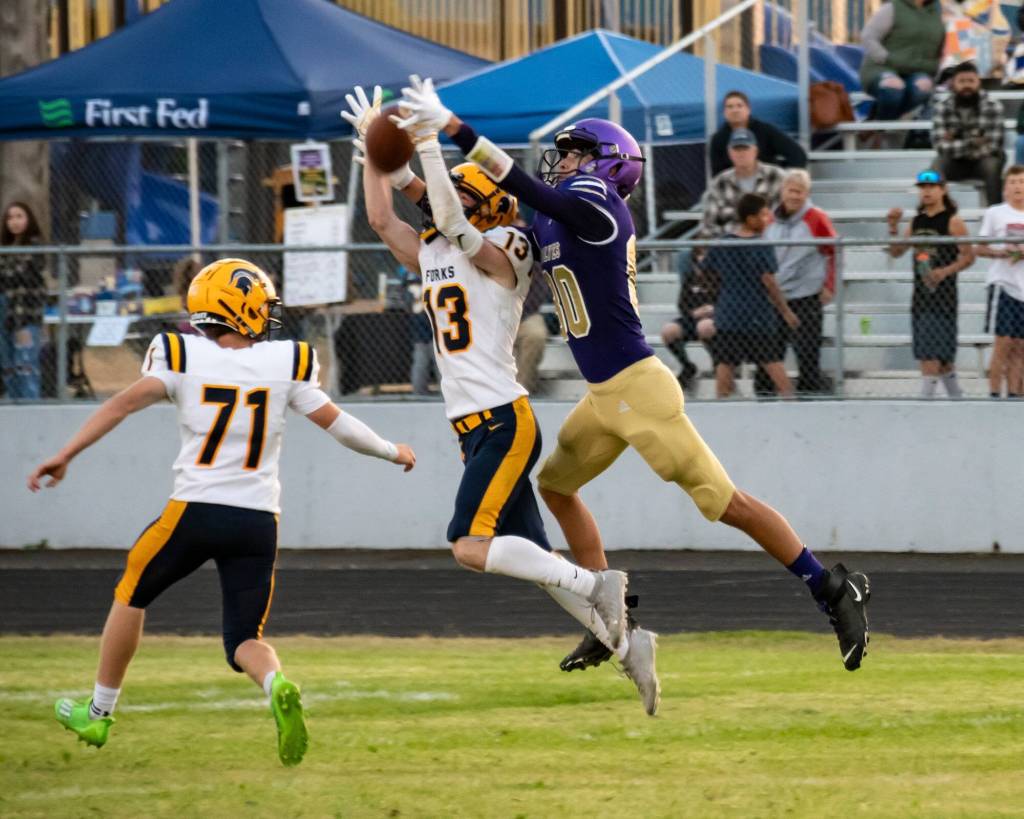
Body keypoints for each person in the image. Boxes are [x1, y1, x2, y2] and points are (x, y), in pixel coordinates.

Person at [395, 75, 872, 675]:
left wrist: (458, 130)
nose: (563, 161)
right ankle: (607, 614)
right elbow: (476, 209)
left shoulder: (602, 208)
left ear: (606, 164)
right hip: (603, 395)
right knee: (558, 485)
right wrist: (399, 160)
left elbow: (523, 186)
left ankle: (830, 586)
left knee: (724, 503)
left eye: (574, 152)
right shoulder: (554, 216)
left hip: (639, 389)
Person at [28, 258, 416, 765]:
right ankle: (275, 681)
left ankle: (98, 715)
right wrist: (392, 451)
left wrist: (66, 454)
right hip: (258, 521)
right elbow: (340, 426)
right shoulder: (286, 362)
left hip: (194, 512)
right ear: (244, 309)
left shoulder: (180, 353)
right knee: (244, 638)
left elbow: (120, 405)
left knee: (132, 592)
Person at [348, 85, 659, 714]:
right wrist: (370, 157)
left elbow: (456, 221)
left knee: (470, 546)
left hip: (502, 418)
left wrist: (430, 146)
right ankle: (631, 648)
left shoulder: (510, 250)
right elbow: (385, 220)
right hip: (472, 424)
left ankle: (600, 585)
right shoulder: (436, 248)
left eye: (463, 194)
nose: (445, 204)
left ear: (489, 206)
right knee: (533, 559)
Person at [887, 170, 974, 398]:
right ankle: (957, 401)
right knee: (934, 357)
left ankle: (924, 405)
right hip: (921, 296)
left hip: (943, 297)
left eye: (931, 187)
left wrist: (945, 271)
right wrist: (893, 227)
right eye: (922, 187)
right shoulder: (916, 221)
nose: (926, 191)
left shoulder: (953, 221)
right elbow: (897, 251)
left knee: (938, 357)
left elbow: (968, 256)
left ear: (942, 190)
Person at [702, 193, 797, 399]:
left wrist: (720, 298)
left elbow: (708, 273)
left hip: (729, 316)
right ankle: (791, 403)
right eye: (763, 215)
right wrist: (785, 311)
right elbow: (769, 281)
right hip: (758, 317)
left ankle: (720, 407)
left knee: (725, 364)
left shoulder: (723, 243)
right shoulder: (762, 245)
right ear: (750, 218)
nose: (767, 219)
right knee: (773, 364)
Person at [763, 170, 837, 395]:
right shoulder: (769, 219)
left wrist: (830, 285)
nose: (795, 196)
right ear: (782, 191)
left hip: (805, 297)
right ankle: (765, 401)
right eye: (791, 190)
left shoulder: (817, 218)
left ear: (807, 193)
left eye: (800, 192)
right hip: (774, 298)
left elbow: (835, 251)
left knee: (807, 356)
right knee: (768, 357)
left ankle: (808, 402)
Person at [976, 165, 1024, 398]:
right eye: (1013, 182)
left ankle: (1015, 395)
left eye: (1022, 182)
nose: (1018, 187)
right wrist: (1002, 252)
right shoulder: (995, 212)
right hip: (1003, 283)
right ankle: (994, 394)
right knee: (1002, 343)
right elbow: (979, 248)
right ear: (1005, 188)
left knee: (1020, 347)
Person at [932, 62, 1005, 206]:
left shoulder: (994, 106)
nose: (967, 85)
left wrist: (955, 141)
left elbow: (994, 145)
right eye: (962, 81)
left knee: (992, 165)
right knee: (935, 168)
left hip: (984, 162)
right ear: (953, 84)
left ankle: (996, 215)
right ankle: (940, 216)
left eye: (971, 81)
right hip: (955, 164)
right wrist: (973, 143)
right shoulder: (942, 107)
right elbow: (940, 146)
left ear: (979, 82)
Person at [859, 0, 944, 120]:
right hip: (883, 67)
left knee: (923, 87)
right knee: (893, 87)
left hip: (918, 71)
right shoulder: (893, 8)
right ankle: (879, 128)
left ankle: (876, 124)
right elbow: (868, 36)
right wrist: (886, 58)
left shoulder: (939, 12)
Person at [698, 129, 786, 240]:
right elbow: (707, 226)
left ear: (755, 151)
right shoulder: (720, 183)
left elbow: (788, 217)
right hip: (730, 248)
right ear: (729, 153)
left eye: (745, 148)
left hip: (769, 244)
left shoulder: (777, 177)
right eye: (737, 149)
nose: (741, 153)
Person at [0, 201, 47, 399]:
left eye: (19, 216)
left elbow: (19, 274)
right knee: (8, 365)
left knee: (25, 364)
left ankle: (30, 411)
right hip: (4, 314)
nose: (14, 222)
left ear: (28, 219)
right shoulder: (4, 248)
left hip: (24, 317)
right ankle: (13, 407)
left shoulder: (35, 247)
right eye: (10, 217)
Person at [708, 91, 807, 177]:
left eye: (739, 105)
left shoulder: (766, 131)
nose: (735, 110)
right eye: (730, 107)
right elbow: (717, 173)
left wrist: (784, 178)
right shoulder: (718, 139)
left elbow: (798, 155)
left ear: (748, 109)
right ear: (724, 112)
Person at [514, 262, 551, 393]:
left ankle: (522, 393)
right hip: (494, 318)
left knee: (536, 334)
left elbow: (540, 293)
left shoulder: (528, 254)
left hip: (526, 315)